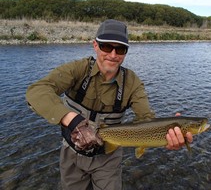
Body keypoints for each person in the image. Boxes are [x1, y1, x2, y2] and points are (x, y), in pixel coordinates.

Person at [26, 19, 193, 190]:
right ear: (95, 45)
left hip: (108, 159)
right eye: (107, 47)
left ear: (126, 52)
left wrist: (167, 132)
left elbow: (146, 119)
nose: (113, 55)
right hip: (71, 153)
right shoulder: (77, 70)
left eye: (120, 49)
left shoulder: (133, 83)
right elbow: (37, 91)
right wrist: (72, 120)